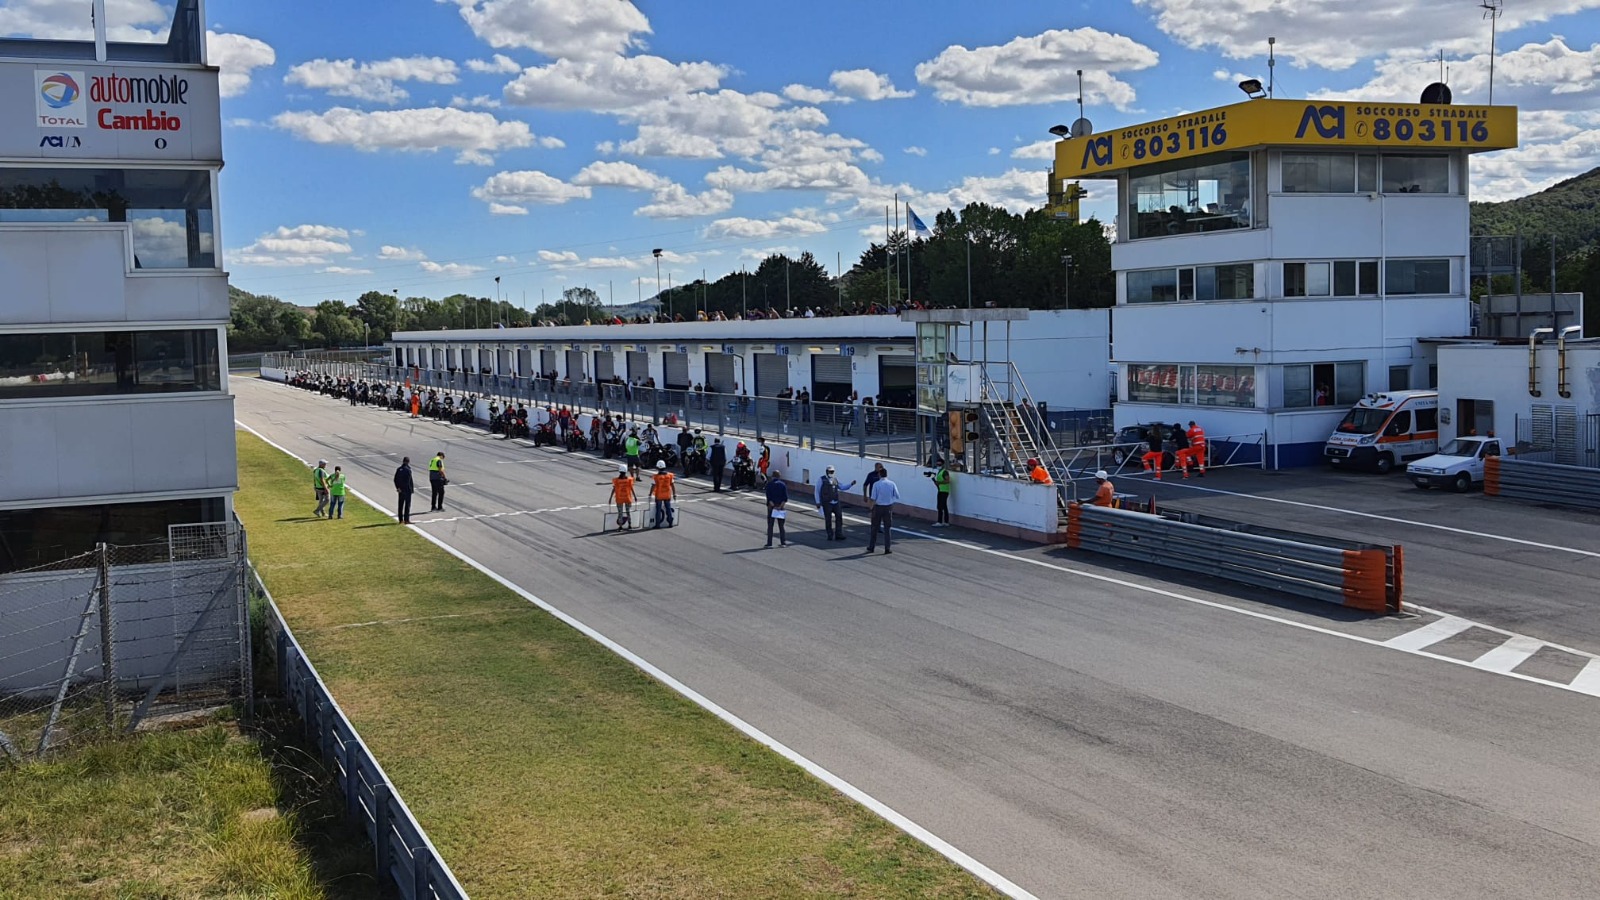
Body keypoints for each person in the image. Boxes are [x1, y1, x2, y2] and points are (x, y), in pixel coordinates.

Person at [814, 465, 857, 540]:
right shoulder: (821, 480)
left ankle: (839, 533)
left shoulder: (835, 479)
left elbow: (842, 487)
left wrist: (851, 484)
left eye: (832, 471)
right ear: (827, 472)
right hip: (827, 502)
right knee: (828, 519)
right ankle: (830, 534)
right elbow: (817, 491)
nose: (831, 473)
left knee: (839, 517)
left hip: (835, 502)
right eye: (830, 471)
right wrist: (818, 502)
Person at [866, 468, 900, 554]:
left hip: (878, 507)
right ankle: (887, 548)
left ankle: (871, 547)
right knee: (887, 528)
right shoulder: (892, 484)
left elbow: (873, 498)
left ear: (879, 474)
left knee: (874, 528)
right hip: (888, 507)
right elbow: (897, 495)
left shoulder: (876, 484)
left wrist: (871, 509)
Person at [765, 469, 788, 547]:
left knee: (770, 526)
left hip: (772, 507)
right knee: (781, 526)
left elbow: (769, 498)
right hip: (780, 507)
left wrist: (774, 506)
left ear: (772, 476)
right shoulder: (783, 485)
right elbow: (785, 498)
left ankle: (769, 543)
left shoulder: (769, 484)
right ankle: (783, 542)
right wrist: (780, 506)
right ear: (779, 476)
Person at [650, 460, 677, 528]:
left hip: (659, 495)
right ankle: (670, 523)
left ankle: (658, 524)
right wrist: (674, 494)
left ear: (658, 468)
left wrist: (650, 494)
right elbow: (673, 485)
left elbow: (653, 486)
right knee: (668, 509)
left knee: (658, 510)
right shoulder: (670, 475)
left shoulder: (656, 477)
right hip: (667, 495)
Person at [608, 464, 636, 529]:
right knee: (628, 511)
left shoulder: (617, 480)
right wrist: (635, 496)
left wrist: (610, 498)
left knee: (620, 513)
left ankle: (620, 526)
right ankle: (629, 525)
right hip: (627, 498)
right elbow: (631, 488)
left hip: (619, 498)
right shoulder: (629, 480)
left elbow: (614, 489)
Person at [393, 456, 415, 524]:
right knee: (407, 505)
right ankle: (406, 520)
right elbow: (409, 481)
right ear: (408, 462)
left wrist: (398, 488)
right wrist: (411, 489)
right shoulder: (408, 470)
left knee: (400, 505)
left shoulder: (399, 469)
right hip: (407, 490)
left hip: (400, 490)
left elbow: (395, 479)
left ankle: (400, 520)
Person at [931, 461, 953, 526]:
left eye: (939, 464)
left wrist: (939, 482)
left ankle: (940, 521)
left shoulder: (944, 472)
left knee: (941, 506)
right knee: (942, 506)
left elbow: (947, 480)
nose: (938, 465)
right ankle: (945, 521)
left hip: (944, 491)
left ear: (943, 465)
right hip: (941, 490)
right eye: (937, 464)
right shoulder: (940, 472)